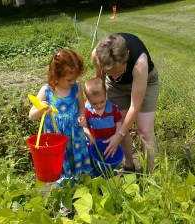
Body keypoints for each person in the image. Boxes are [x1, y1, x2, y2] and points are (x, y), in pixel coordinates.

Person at [91, 33, 159, 173]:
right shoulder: (97, 56)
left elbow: (135, 106)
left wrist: (119, 135)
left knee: (145, 131)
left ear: (127, 56)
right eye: (110, 73)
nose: (115, 77)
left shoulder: (140, 62)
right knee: (118, 124)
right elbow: (99, 81)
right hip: (116, 89)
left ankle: (150, 174)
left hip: (145, 82)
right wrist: (92, 105)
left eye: (119, 71)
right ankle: (128, 165)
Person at [29, 49, 92, 186]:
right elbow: (31, 116)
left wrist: (82, 116)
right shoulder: (47, 91)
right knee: (62, 163)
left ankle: (82, 187)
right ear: (56, 75)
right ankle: (66, 194)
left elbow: (82, 106)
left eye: (75, 78)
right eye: (69, 79)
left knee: (77, 160)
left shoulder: (77, 88)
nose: (73, 82)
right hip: (57, 137)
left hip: (75, 135)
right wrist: (41, 108)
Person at [83, 77, 122, 145]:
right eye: (94, 103)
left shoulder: (113, 108)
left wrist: (116, 134)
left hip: (112, 141)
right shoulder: (87, 111)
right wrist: (90, 136)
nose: (99, 105)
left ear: (105, 95)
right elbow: (85, 126)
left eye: (102, 102)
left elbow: (118, 121)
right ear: (88, 100)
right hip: (95, 142)